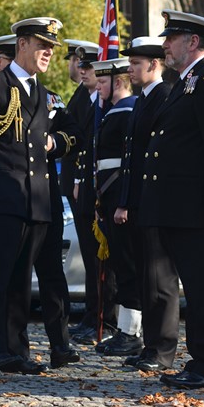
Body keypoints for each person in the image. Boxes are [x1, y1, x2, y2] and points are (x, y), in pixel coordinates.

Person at [0, 17, 81, 374]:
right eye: (43, 46)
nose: (48, 54)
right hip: (4, 196)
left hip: (36, 199)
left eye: (51, 49)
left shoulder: (42, 93)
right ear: (22, 44)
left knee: (20, 281)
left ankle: (16, 350)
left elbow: (54, 141)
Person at [139, 10, 204, 389]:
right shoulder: (185, 82)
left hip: (201, 210)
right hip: (182, 209)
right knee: (196, 289)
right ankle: (200, 361)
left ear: (192, 42)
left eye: (171, 38)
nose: (164, 45)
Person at [113, 37, 180, 370]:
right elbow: (131, 159)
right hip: (141, 204)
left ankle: (164, 350)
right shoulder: (142, 101)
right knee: (145, 279)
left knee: (161, 281)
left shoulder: (165, 97)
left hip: (158, 203)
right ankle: (151, 345)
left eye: (135, 64)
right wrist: (125, 202)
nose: (129, 69)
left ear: (154, 65)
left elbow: (161, 160)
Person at [90, 57, 143, 357]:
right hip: (109, 198)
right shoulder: (113, 112)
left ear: (118, 82)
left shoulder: (127, 112)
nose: (98, 86)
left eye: (103, 81)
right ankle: (125, 329)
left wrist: (119, 201)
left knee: (128, 266)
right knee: (121, 266)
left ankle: (131, 331)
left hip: (121, 199)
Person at [70, 44, 118, 345]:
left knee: (104, 262)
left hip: (97, 189)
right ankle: (93, 316)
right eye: (82, 66)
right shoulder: (84, 99)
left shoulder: (106, 104)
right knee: (91, 259)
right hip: (83, 188)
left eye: (91, 68)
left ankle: (105, 320)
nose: (83, 71)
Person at [60, 40, 97, 215]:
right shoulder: (82, 93)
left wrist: (78, 179)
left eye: (86, 65)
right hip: (74, 178)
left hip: (81, 178)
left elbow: (83, 138)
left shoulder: (86, 95)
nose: (80, 69)